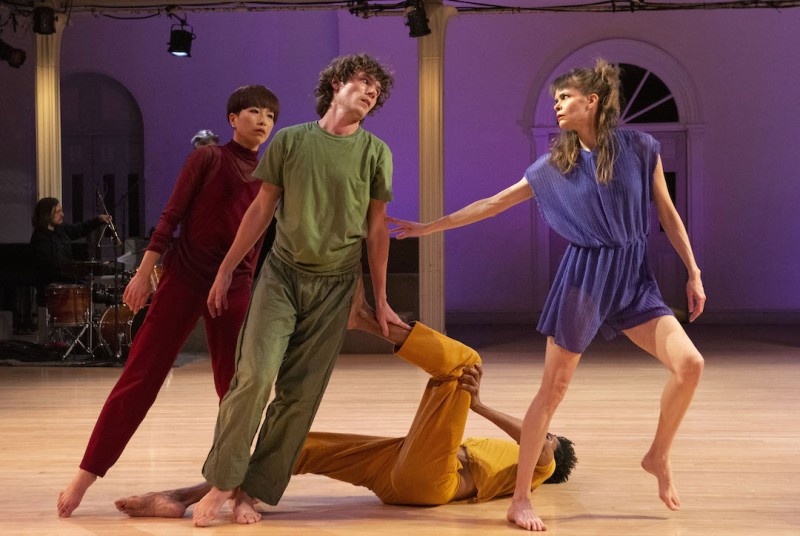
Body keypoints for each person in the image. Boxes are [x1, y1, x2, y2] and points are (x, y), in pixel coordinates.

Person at [388, 59, 706, 531]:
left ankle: (657, 455)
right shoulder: (554, 165)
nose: (556, 104)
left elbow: (668, 213)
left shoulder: (641, 147)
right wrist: (428, 227)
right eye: (554, 98)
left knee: (691, 365)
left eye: (565, 97)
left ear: (592, 101)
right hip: (584, 278)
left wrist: (693, 272)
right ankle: (520, 499)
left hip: (633, 277)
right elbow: (492, 204)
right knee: (553, 390)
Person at [114, 298, 577, 519]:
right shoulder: (500, 454)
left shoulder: (539, 464)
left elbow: (539, 450)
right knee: (300, 444)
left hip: (433, 483)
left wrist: (479, 406)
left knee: (465, 363)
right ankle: (198, 494)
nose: (542, 433)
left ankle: (365, 322)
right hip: (397, 465)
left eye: (550, 436)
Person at [192, 53, 407, 527]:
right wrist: (228, 268)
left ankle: (252, 490)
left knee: (300, 394)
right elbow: (260, 211)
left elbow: (376, 230)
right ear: (335, 84)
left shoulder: (376, 152)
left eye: (377, 90)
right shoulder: (289, 141)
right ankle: (222, 480)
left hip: (335, 286)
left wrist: (380, 298)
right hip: (282, 275)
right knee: (253, 378)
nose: (370, 93)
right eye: (363, 82)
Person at [56, 85, 280, 518]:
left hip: (233, 285)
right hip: (185, 277)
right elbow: (171, 215)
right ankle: (86, 474)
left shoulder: (272, 172)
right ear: (233, 118)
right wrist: (144, 273)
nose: (263, 120)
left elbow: (264, 235)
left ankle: (236, 486)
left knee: (236, 389)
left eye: (270, 114)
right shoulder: (208, 157)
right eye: (254, 111)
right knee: (141, 376)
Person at [29, 197, 112, 306]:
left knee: (104, 292)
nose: (62, 214)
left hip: (68, 282)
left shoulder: (60, 229)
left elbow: (80, 229)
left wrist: (98, 220)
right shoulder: (40, 239)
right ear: (47, 215)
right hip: (55, 289)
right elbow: (52, 267)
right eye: (58, 212)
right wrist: (77, 270)